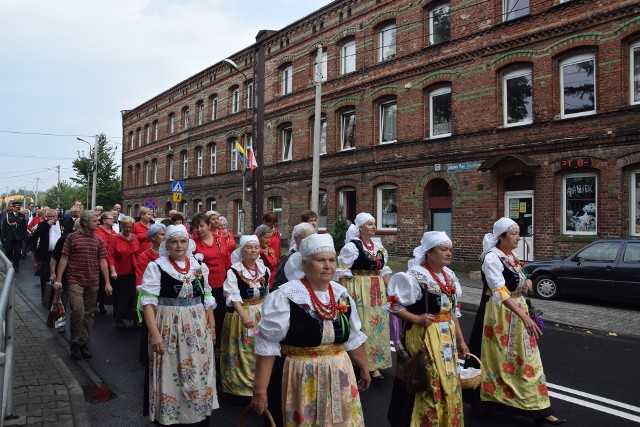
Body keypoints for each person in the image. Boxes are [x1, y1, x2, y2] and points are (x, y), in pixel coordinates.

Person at [250, 233, 371, 427]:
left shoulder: (342, 295)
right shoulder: (286, 296)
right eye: (320, 260)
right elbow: (268, 345)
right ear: (304, 263)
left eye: (332, 260)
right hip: (300, 376)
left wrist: (365, 368)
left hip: (340, 373)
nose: (328, 265)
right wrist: (259, 390)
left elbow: (353, 337)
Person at [466, 218, 566, 426]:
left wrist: (527, 280)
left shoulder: (511, 256)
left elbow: (521, 274)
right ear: (500, 237)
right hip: (499, 312)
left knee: (525, 359)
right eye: (513, 234)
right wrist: (524, 316)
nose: (518, 237)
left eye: (518, 233)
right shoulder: (493, 258)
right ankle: (492, 402)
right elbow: (500, 291)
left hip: (517, 310)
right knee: (499, 359)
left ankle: (537, 406)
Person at [138, 224, 219, 425]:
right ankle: (172, 416)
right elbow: (147, 303)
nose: (179, 245)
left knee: (198, 370)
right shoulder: (156, 267)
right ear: (167, 244)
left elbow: (206, 297)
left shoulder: (199, 266)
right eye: (174, 241)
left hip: (198, 326)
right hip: (168, 326)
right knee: (172, 370)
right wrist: (155, 334)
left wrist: (212, 327)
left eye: (183, 241)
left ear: (188, 243)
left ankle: (197, 415)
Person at [386, 231, 468, 426]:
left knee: (449, 381)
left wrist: (461, 340)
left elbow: (453, 312)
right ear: (429, 252)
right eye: (443, 249)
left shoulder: (449, 276)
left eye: (450, 249)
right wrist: (416, 317)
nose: (449, 253)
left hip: (446, 336)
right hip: (425, 335)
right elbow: (393, 306)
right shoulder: (416, 276)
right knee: (429, 381)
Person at [336, 212, 392, 382]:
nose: (373, 227)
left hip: (377, 289)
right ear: (360, 228)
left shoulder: (378, 247)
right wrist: (343, 297)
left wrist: (391, 291)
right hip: (359, 288)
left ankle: (377, 362)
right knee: (363, 325)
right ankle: (366, 366)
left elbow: (383, 270)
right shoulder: (352, 247)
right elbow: (343, 271)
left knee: (378, 326)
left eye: (374, 223)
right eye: (369, 224)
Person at [55, 210, 112, 360]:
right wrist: (59, 279)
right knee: (78, 312)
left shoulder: (98, 241)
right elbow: (64, 259)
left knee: (89, 314)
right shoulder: (72, 238)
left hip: (92, 281)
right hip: (75, 280)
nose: (98, 223)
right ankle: (74, 342)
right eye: (95, 221)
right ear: (85, 223)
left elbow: (103, 261)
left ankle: (83, 343)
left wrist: (107, 282)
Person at [220, 235, 269, 399]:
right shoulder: (234, 271)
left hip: (261, 313)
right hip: (242, 315)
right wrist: (244, 316)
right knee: (243, 350)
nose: (253, 250)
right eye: (249, 247)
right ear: (242, 250)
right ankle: (240, 389)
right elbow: (232, 296)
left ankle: (259, 385)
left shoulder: (263, 270)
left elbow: (267, 294)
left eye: (256, 247)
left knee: (259, 349)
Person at [192, 212, 231, 375]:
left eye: (202, 226)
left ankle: (219, 356)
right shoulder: (193, 244)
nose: (199, 229)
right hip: (205, 289)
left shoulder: (219, 240)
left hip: (221, 286)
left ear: (209, 225)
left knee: (221, 321)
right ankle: (206, 357)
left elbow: (227, 260)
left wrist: (230, 280)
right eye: (196, 227)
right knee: (207, 322)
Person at [108, 216, 139, 329]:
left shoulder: (134, 238)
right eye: (126, 227)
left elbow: (137, 252)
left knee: (133, 296)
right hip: (120, 272)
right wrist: (112, 270)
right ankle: (118, 318)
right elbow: (110, 255)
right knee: (121, 297)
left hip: (133, 271)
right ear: (122, 226)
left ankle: (132, 317)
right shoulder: (115, 238)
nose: (128, 229)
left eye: (130, 227)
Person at [31, 208, 61, 301]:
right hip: (46, 255)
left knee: (59, 274)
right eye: (49, 217)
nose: (52, 219)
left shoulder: (62, 224)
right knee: (45, 275)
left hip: (59, 254)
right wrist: (46, 225)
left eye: (54, 216)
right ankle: (45, 296)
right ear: (46, 217)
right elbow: (34, 237)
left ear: (57, 216)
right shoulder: (41, 225)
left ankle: (58, 296)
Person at [273, 222, 315, 289]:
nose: (308, 242)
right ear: (296, 240)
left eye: (310, 239)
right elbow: (278, 283)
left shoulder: (315, 256)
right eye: (305, 239)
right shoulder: (287, 259)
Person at [95, 211, 117, 314]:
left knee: (107, 284)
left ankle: (102, 303)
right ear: (104, 220)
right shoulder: (98, 232)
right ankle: (95, 303)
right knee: (99, 283)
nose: (113, 220)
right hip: (99, 262)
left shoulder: (114, 233)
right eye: (110, 218)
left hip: (111, 263)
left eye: (113, 218)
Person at [1, 202, 28, 271]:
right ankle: (9, 263)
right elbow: (4, 226)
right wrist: (2, 236)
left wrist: (25, 236)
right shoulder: (8, 215)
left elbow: (24, 227)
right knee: (8, 250)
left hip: (18, 237)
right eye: (16, 207)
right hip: (9, 236)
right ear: (13, 208)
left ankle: (16, 266)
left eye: (19, 207)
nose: (17, 208)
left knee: (17, 252)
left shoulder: (22, 216)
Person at [255, 225, 277, 289]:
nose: (268, 240)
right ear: (258, 237)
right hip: (262, 285)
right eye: (266, 237)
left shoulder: (271, 250)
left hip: (274, 283)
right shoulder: (256, 253)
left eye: (269, 237)